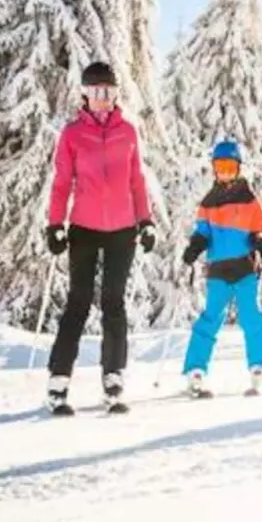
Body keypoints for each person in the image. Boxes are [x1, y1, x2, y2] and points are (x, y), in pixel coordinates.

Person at [45, 61, 155, 415]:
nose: (102, 97)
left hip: (123, 229)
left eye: (108, 91)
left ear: (115, 94)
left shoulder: (128, 132)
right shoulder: (73, 134)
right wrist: (55, 224)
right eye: (95, 92)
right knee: (78, 301)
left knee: (113, 301)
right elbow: (62, 183)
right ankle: (59, 380)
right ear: (85, 94)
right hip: (85, 229)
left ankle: (113, 377)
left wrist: (146, 221)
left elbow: (136, 181)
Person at [180, 139, 262, 396]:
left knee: (250, 316)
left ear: (238, 168)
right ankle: (195, 369)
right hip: (219, 271)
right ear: (214, 169)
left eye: (229, 167)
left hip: (244, 268)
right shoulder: (208, 202)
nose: (224, 172)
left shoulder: (249, 200)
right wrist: (194, 247)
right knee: (210, 317)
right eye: (220, 167)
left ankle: (259, 365)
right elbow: (202, 232)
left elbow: (258, 230)